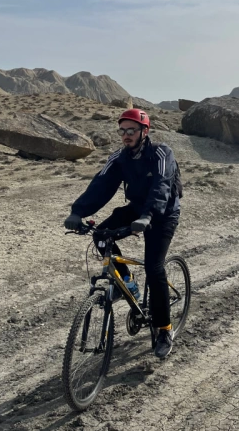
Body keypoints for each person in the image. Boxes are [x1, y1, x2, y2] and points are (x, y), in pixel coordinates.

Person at [64, 108, 180, 359]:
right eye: (122, 130)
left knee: (154, 268)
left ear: (144, 131)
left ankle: (164, 330)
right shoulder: (119, 157)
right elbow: (101, 185)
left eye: (132, 130)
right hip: (137, 209)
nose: (126, 135)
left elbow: (162, 187)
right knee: (101, 234)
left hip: (162, 213)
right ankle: (126, 283)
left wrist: (148, 216)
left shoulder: (161, 153)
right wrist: (78, 212)